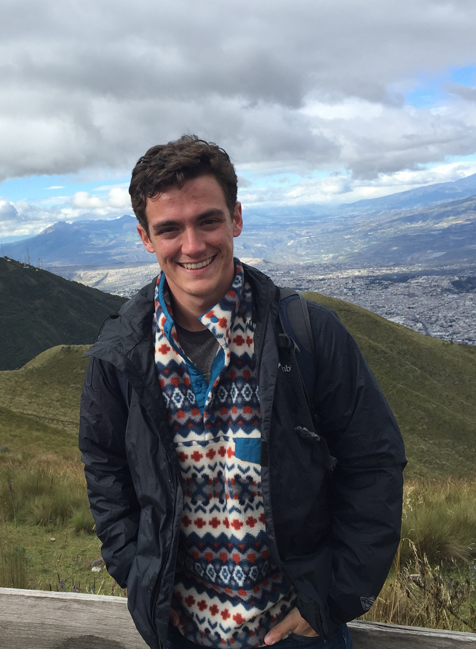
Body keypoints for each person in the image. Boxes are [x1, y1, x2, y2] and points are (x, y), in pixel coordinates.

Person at [79, 135, 406, 649]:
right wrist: (134, 568)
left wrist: (333, 596)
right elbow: (104, 465)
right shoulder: (120, 352)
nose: (192, 245)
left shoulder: (306, 334)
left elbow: (374, 462)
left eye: (207, 220)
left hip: (299, 634)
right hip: (178, 631)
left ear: (235, 217)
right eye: (170, 229)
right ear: (146, 237)